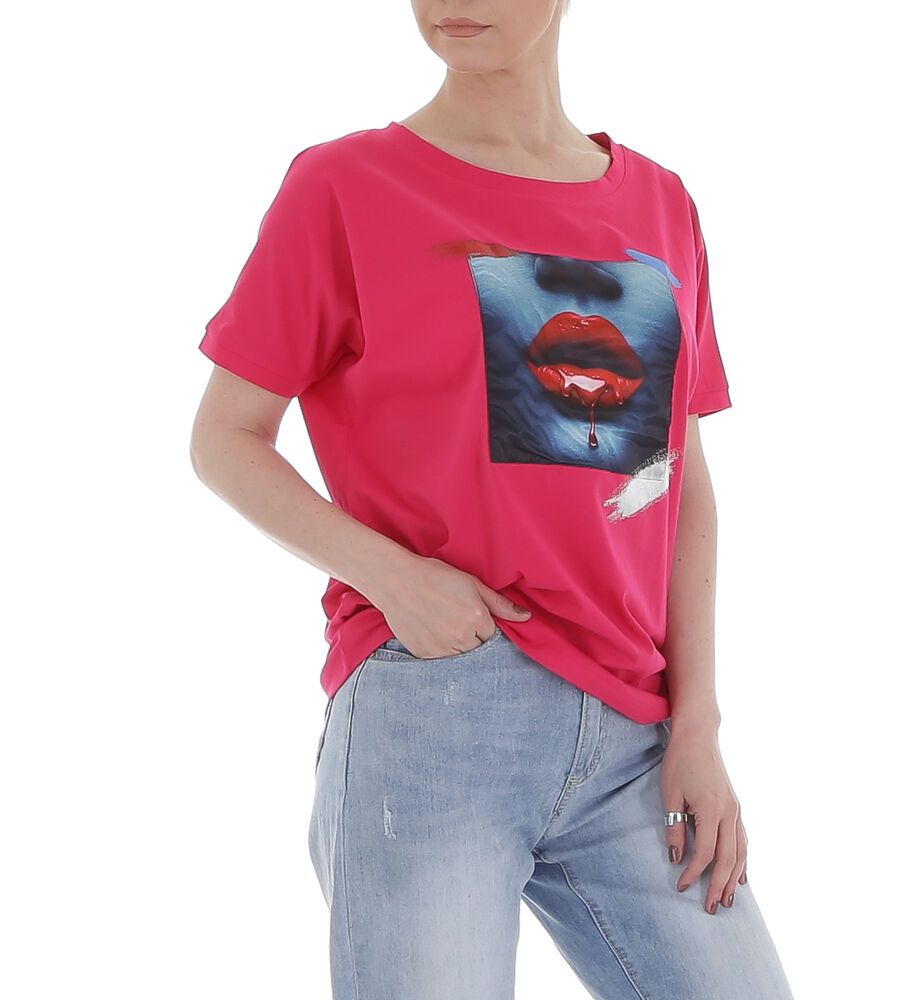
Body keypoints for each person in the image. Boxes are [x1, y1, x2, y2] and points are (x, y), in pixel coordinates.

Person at [190, 1, 796, 996]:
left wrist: (697, 723)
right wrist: (396, 579)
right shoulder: (345, 186)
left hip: (633, 731)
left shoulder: (660, 203)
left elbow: (679, 482)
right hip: (436, 712)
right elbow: (224, 438)